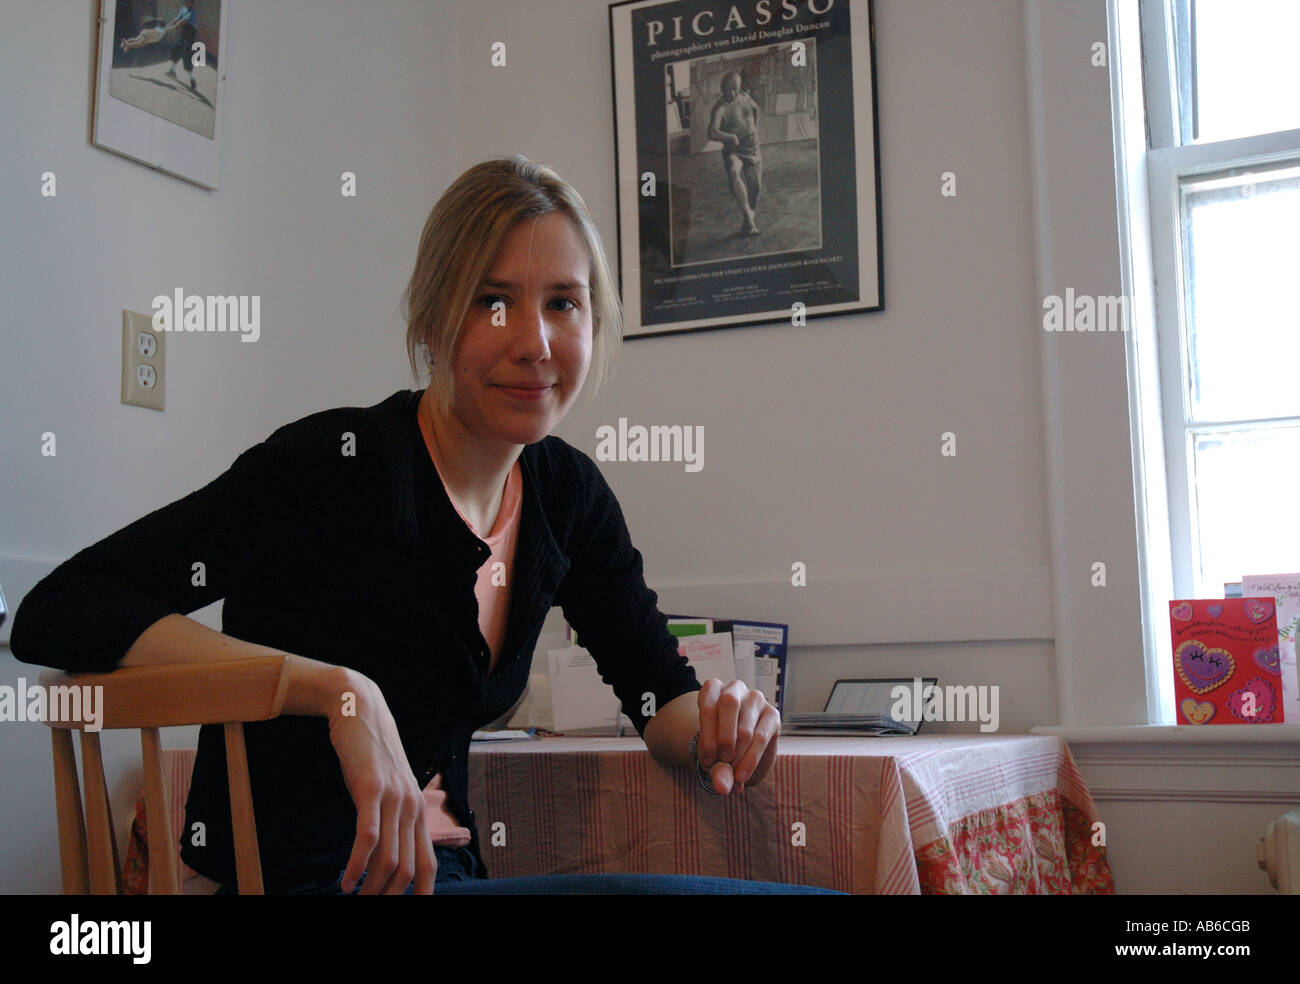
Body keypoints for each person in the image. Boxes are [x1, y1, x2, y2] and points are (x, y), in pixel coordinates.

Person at [12, 156, 831, 895]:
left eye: (564, 304)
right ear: (434, 318)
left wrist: (725, 724)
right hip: (299, 880)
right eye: (494, 301)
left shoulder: (567, 496)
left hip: (446, 876)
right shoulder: (337, 463)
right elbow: (62, 606)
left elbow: (658, 699)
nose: (536, 342)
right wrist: (334, 690)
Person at [708, 71, 764, 236]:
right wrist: (730, 136)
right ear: (722, 88)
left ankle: (748, 222)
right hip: (734, 151)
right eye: (727, 89)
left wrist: (755, 130)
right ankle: (749, 217)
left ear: (738, 88)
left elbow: (755, 110)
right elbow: (712, 132)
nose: (731, 93)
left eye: (734, 89)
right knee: (733, 171)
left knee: (756, 188)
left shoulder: (745, 97)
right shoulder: (720, 108)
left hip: (753, 148)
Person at [163, 3, 200, 91]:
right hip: (183, 34)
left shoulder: (192, 12)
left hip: (190, 36)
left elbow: (183, 21)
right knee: (176, 49)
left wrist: (173, 27)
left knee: (187, 58)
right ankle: (173, 71)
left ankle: (192, 81)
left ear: (191, 2)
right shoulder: (183, 9)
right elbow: (176, 19)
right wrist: (167, 26)